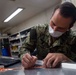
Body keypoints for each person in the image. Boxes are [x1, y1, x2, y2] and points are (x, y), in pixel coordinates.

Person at [19, 2, 76, 69]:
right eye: (53, 23)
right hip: (40, 70)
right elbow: (24, 48)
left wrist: (65, 59)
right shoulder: (37, 30)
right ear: (51, 17)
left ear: (69, 27)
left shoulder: (74, 39)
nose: (54, 29)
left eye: (61, 28)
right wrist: (25, 57)